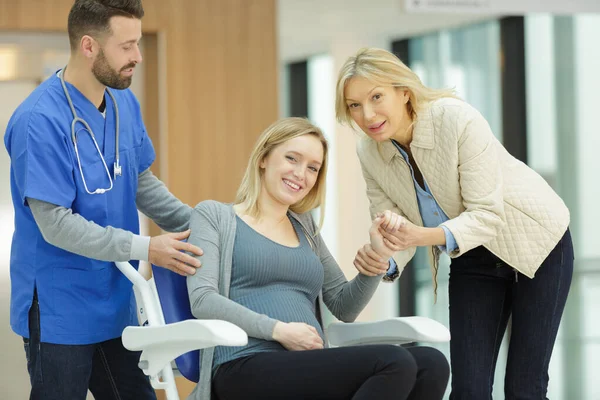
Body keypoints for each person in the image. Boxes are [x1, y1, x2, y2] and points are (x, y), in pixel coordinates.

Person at [335, 47, 574, 400]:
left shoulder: (455, 118)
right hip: (471, 255)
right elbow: (394, 228)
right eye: (354, 105)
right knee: (469, 390)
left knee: (525, 387)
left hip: (537, 244)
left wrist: (420, 236)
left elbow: (487, 214)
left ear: (403, 92)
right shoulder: (369, 152)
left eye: (376, 97)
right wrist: (383, 257)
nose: (367, 114)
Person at [3, 1, 203, 399]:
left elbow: (140, 182)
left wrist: (205, 222)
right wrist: (147, 248)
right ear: (90, 46)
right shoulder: (38, 121)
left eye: (139, 43)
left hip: (115, 300)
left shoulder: (123, 103)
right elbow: (55, 223)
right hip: (61, 306)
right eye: (126, 46)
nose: (138, 57)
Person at [185, 117, 450, 400]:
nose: (301, 174)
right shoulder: (214, 216)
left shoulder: (305, 227)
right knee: (393, 362)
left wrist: (380, 256)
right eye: (292, 159)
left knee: (431, 363)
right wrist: (279, 331)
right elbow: (204, 299)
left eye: (313, 168)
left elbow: (344, 306)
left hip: (304, 365)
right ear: (263, 158)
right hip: (243, 365)